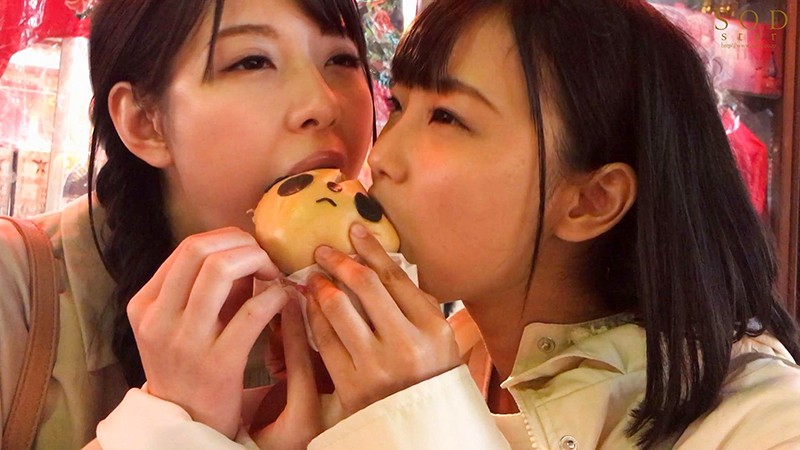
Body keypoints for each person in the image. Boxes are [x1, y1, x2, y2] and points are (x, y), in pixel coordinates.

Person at [92, 0, 800, 448]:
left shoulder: (762, 424)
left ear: (589, 200)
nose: (379, 156)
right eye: (399, 107)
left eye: (448, 118)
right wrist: (186, 421)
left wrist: (412, 420)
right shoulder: (432, 356)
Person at [0, 0, 374, 447]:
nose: (324, 103)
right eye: (252, 61)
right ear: (145, 122)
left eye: (342, 59)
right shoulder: (16, 287)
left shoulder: (403, 308)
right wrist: (172, 426)